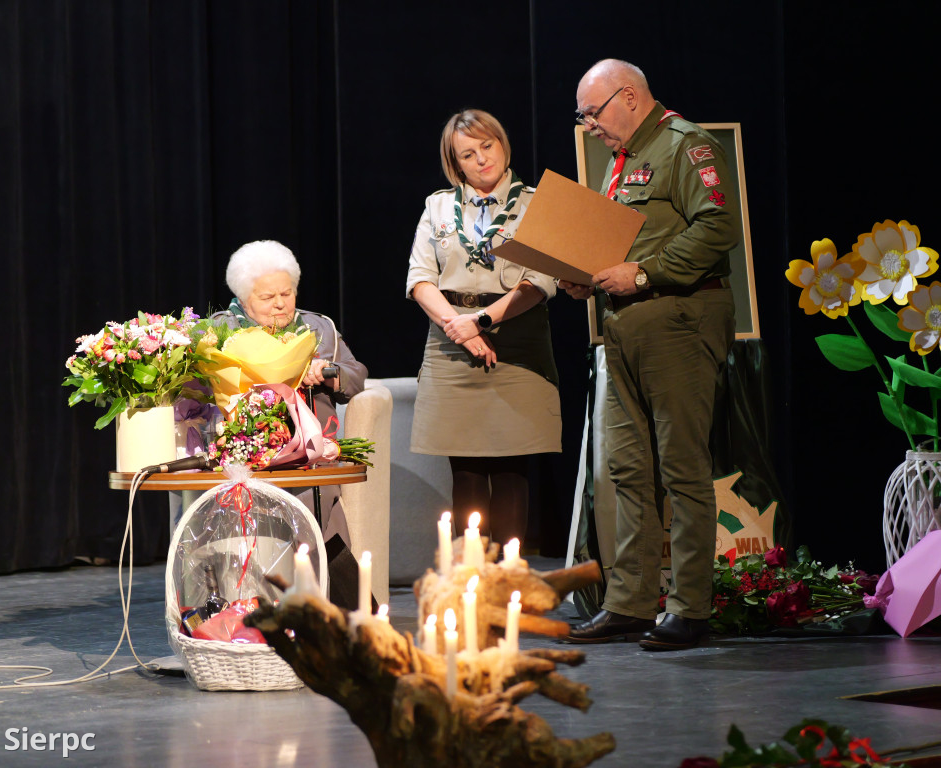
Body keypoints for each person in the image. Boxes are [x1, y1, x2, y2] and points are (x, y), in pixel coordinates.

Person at [562, 60, 739, 651]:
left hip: (678, 322)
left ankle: (690, 608)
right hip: (624, 328)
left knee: (682, 467)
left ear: (629, 96)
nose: (589, 127)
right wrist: (585, 276)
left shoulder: (687, 145)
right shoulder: (621, 163)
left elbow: (717, 227)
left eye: (593, 114)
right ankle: (630, 605)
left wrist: (641, 274)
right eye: (583, 117)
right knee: (628, 470)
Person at [406, 109, 561, 546]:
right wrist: (463, 328)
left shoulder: (535, 202)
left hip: (519, 342)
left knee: (513, 470)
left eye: (487, 146)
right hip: (452, 342)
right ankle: (471, 584)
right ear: (456, 164)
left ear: (502, 142)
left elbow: (541, 282)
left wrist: (485, 320)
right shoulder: (437, 206)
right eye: (468, 154)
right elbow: (419, 279)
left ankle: (510, 584)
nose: (481, 160)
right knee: (468, 471)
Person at [211, 239, 368, 545]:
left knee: (317, 495)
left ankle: (316, 586)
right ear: (243, 299)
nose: (280, 303)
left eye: (287, 293)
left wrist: (326, 372)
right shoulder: (220, 330)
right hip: (245, 448)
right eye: (267, 296)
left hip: (309, 451)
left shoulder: (318, 328)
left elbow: (356, 377)